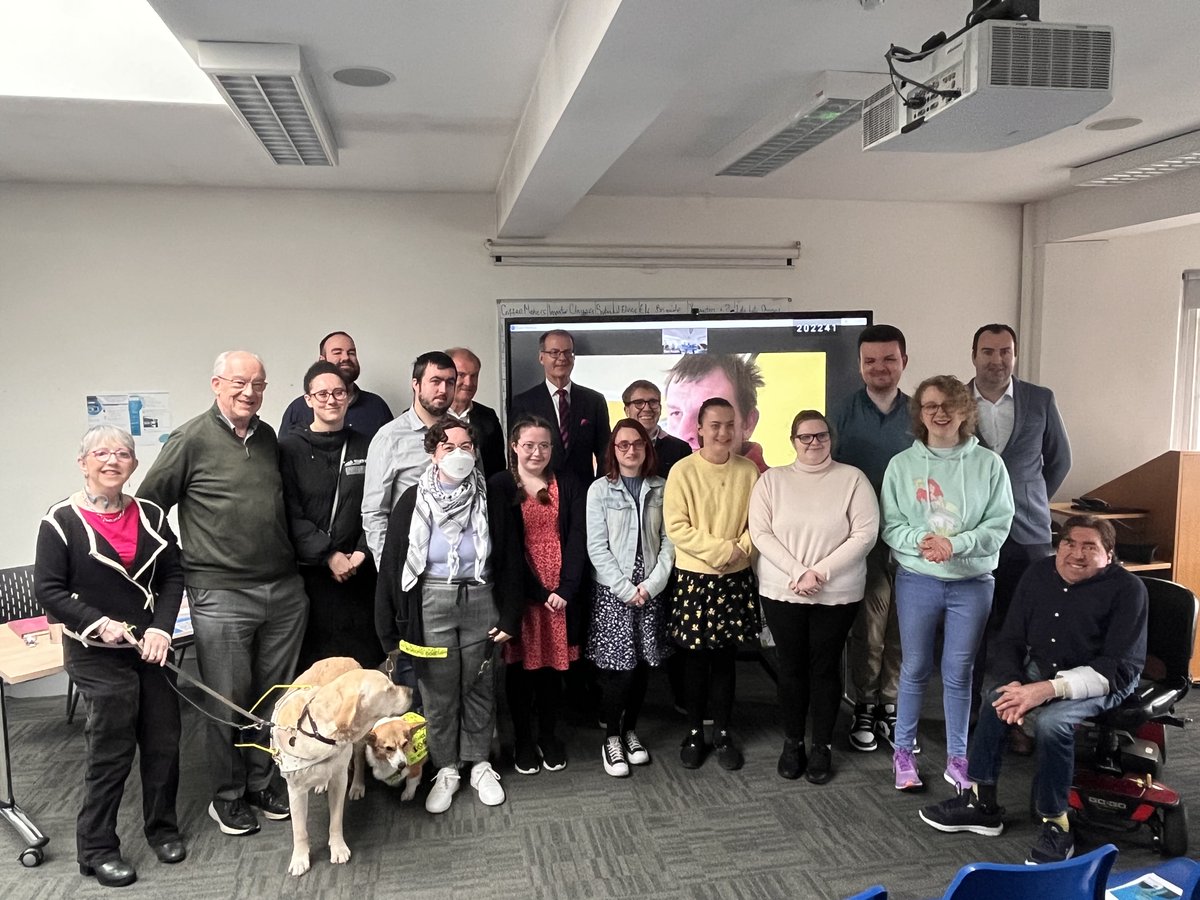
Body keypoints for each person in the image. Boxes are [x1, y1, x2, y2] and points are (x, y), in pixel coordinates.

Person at [139, 350, 306, 837]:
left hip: (283, 591)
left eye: (258, 384)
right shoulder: (189, 439)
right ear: (216, 384)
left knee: (272, 699)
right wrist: (181, 563)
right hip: (222, 593)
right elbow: (149, 510)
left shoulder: (268, 436)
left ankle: (262, 783)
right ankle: (227, 797)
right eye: (238, 383)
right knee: (226, 700)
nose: (249, 392)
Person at [918, 516, 1147, 865]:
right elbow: (1010, 638)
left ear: (1109, 555)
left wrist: (1043, 690)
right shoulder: (1039, 573)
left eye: (1090, 547)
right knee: (997, 699)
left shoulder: (1129, 590)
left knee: (1051, 724)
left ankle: (1057, 823)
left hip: (1103, 677)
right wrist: (1013, 682)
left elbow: (1115, 665)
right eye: (1070, 543)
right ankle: (983, 804)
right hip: (1046, 664)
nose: (1077, 554)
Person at [35, 426, 186, 887]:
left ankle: (162, 829)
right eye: (101, 453)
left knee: (163, 741)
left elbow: (173, 576)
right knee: (112, 746)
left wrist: (161, 627)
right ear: (83, 463)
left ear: (134, 465)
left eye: (122, 454)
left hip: (150, 648)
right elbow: (49, 590)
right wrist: (96, 621)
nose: (112, 461)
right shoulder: (60, 520)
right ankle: (97, 848)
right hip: (95, 653)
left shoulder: (153, 515)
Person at [375, 417, 520, 813]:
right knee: (438, 694)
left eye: (466, 446)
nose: (459, 454)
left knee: (479, 684)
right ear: (432, 453)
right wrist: (388, 630)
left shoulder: (492, 497)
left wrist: (509, 616)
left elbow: (510, 558)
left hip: (481, 597)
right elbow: (392, 566)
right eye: (448, 447)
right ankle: (447, 768)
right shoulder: (412, 501)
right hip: (431, 602)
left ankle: (479, 763)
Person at [881, 375, 1014, 793]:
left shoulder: (989, 465)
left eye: (948, 405)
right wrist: (922, 543)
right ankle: (903, 752)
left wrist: (954, 545)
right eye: (929, 406)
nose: (939, 413)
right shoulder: (902, 465)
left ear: (965, 411)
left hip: (972, 583)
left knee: (959, 673)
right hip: (917, 579)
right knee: (915, 668)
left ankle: (958, 758)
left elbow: (999, 525)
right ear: (920, 414)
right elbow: (892, 524)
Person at [749, 410, 879, 784]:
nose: (813, 443)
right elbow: (760, 533)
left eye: (820, 435)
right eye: (804, 437)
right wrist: (797, 572)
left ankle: (822, 745)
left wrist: (818, 573)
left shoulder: (852, 479)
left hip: (836, 593)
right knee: (790, 669)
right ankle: (793, 743)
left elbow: (864, 534)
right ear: (793, 441)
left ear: (830, 438)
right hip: (781, 591)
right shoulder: (772, 481)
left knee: (824, 669)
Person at [968, 324, 1073, 746]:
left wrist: (1029, 498)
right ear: (973, 354)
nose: (997, 360)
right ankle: (975, 721)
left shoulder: (1040, 399)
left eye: (1005, 352)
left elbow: (1060, 460)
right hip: (971, 533)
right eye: (988, 351)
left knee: (1024, 634)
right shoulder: (955, 400)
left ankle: (1018, 722)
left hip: (1027, 536)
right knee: (974, 634)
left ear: (1015, 355)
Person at [488, 415, 588, 775]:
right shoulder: (500, 485)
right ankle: (524, 741)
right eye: (529, 445)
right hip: (521, 594)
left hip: (560, 596)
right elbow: (503, 547)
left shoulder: (569, 483)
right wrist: (536, 592)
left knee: (551, 672)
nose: (537, 452)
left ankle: (549, 736)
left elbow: (579, 538)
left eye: (544, 445)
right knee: (519, 673)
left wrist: (565, 589)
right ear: (514, 446)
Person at [664, 397, 760, 770]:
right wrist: (725, 551)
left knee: (725, 662)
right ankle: (693, 732)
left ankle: (721, 732)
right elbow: (677, 528)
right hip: (695, 579)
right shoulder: (683, 471)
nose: (722, 432)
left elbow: (758, 524)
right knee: (694, 662)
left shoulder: (748, 471)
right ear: (700, 429)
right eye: (714, 425)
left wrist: (742, 552)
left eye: (729, 425)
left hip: (734, 579)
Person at [829, 324, 912, 754]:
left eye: (888, 359)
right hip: (864, 542)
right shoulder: (840, 413)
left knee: (904, 629)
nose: (879, 368)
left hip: (916, 545)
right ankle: (864, 703)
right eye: (870, 361)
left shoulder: (923, 413)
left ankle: (892, 704)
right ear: (860, 366)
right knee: (870, 628)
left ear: (904, 362)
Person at [585, 419, 676, 777]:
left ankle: (631, 731)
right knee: (618, 670)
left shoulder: (662, 488)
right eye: (622, 445)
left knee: (642, 667)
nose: (630, 450)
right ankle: (611, 738)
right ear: (613, 450)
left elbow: (670, 542)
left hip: (651, 587)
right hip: (614, 590)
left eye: (637, 443)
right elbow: (596, 547)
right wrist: (625, 589)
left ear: (647, 447)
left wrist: (651, 585)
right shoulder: (599, 490)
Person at [279, 361, 380, 670]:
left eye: (339, 392)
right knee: (317, 671)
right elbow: (288, 511)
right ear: (307, 399)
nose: (331, 400)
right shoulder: (288, 448)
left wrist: (362, 551)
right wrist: (329, 555)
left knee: (363, 670)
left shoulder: (368, 445)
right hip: (312, 578)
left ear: (349, 397)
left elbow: (378, 505)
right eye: (321, 394)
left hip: (360, 575)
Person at [362, 351, 458, 566]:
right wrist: (388, 569)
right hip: (410, 562)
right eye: (435, 381)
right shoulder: (389, 437)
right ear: (416, 384)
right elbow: (374, 512)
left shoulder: (463, 435)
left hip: (460, 564)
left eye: (450, 382)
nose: (443, 390)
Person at [509, 329, 611, 483]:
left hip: (584, 494)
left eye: (567, 352)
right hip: (540, 493)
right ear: (541, 357)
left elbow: (605, 453)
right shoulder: (524, 402)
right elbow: (515, 455)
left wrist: (600, 491)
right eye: (554, 352)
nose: (562, 358)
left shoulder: (594, 401)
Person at [279, 331, 393, 440]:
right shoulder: (298, 409)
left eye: (351, 353)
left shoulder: (377, 406)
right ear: (322, 360)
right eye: (337, 352)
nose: (346, 358)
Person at [662, 354, 768, 472]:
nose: (683, 433)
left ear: (748, 423)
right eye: (676, 413)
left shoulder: (776, 489)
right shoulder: (652, 481)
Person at [446, 346, 507, 478]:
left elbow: (498, 470)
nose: (469, 383)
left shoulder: (488, 417)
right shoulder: (428, 416)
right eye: (461, 375)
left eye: (474, 376)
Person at [622, 380, 691, 477]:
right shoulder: (612, 447)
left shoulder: (681, 450)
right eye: (639, 402)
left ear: (660, 408)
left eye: (653, 402)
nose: (647, 408)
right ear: (627, 410)